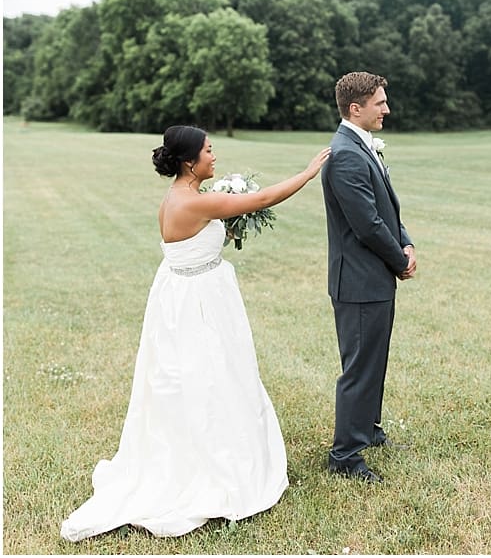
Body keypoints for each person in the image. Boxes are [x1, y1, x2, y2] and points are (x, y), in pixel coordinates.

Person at [61, 126, 329, 541]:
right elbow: (262, 198)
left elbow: (202, 238)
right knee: (214, 378)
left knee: (185, 381)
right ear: (190, 162)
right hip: (201, 303)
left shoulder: (174, 198)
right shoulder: (198, 202)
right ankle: (216, 467)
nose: (214, 156)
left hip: (178, 297)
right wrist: (309, 172)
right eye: (208, 150)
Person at [322, 71, 416, 483]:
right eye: (380, 103)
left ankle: (369, 430)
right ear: (355, 108)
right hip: (359, 281)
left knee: (374, 360)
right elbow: (367, 224)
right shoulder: (344, 154)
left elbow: (387, 209)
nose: (387, 109)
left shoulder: (362, 147)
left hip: (373, 279)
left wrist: (407, 242)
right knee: (359, 367)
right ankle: (345, 455)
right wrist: (400, 260)